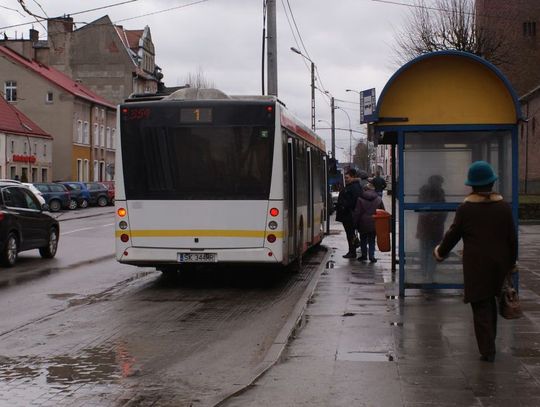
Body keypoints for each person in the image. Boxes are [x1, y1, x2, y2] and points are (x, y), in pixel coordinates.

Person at [433, 161, 517, 362]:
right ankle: (490, 345)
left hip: (476, 267)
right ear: (491, 183)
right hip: (499, 265)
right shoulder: (504, 208)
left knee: (481, 307)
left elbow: (453, 235)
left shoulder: (466, 209)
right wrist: (511, 263)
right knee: (492, 304)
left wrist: (440, 252)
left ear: (472, 185)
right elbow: (512, 239)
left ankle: (487, 351)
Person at [416, 175, 447, 282]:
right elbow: (443, 209)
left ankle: (426, 273)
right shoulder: (438, 192)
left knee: (425, 250)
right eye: (440, 182)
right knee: (431, 251)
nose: (440, 184)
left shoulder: (424, 192)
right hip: (433, 227)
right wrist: (438, 217)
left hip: (427, 227)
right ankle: (429, 273)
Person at [353, 182, 385, 263]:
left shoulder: (360, 199)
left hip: (363, 222)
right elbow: (382, 211)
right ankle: (372, 256)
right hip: (374, 222)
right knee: (372, 239)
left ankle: (364, 255)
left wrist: (355, 224)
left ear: (364, 190)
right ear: (373, 189)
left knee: (363, 239)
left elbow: (357, 212)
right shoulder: (378, 199)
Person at [335, 168, 363, 258]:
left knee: (350, 234)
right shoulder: (353, 186)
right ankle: (352, 250)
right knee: (350, 234)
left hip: (349, 215)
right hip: (348, 214)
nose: (346, 179)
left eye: (347, 177)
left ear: (353, 177)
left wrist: (344, 206)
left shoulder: (353, 187)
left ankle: (352, 251)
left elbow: (354, 201)